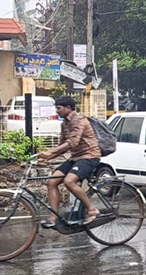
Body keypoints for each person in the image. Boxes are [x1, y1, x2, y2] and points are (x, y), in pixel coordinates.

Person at [37, 96, 102, 226]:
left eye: (59, 108)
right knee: (51, 182)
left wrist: (51, 152)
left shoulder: (79, 120)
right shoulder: (64, 123)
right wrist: (48, 157)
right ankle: (53, 218)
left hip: (89, 156)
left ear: (68, 108)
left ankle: (92, 209)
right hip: (75, 158)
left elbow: (72, 142)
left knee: (69, 181)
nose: (57, 111)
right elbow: (63, 145)